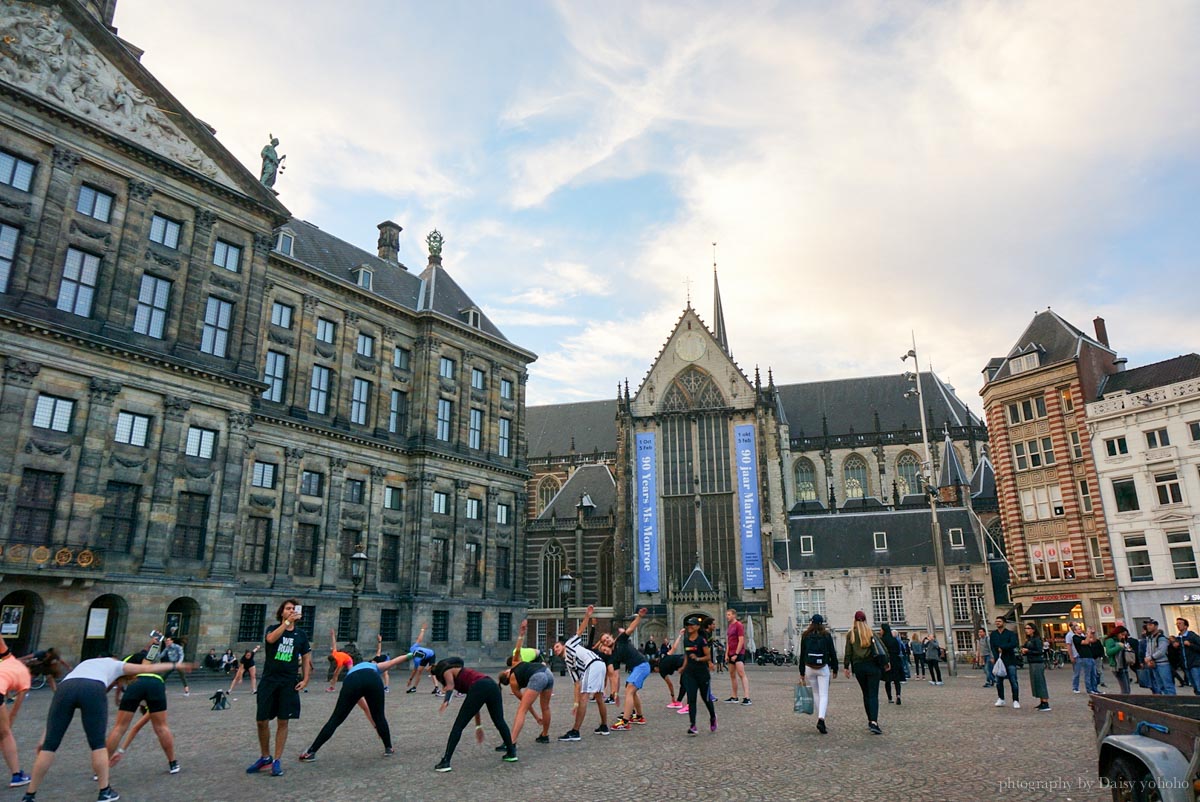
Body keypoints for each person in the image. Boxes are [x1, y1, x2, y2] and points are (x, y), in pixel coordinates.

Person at [20, 655, 185, 802]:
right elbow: (146, 667)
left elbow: (53, 719)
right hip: (92, 688)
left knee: (49, 746)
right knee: (97, 743)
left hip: (65, 688)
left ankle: (29, 795)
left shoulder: (87, 662)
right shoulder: (116, 665)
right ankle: (104, 791)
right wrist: (175, 665)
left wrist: (44, 736)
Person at [298, 650, 413, 762]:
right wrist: (411, 655)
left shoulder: (353, 670)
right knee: (379, 716)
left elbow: (364, 707)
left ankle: (311, 752)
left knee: (336, 719)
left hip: (352, 682)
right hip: (372, 679)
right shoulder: (375, 666)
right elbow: (394, 661)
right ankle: (388, 748)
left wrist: (375, 726)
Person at [246, 599, 312, 778]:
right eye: (287, 608)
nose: (291, 611)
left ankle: (276, 760)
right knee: (261, 720)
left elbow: (306, 657)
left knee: (283, 721)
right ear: (281, 612)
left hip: (288, 682)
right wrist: (287, 623)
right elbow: (270, 639)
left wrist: (305, 679)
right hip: (269, 680)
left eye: (293, 609)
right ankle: (265, 756)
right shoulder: (272, 629)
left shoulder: (301, 635)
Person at [107, 635, 185, 775]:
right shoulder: (145, 657)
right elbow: (149, 653)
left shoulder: (122, 664)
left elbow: (117, 683)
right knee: (162, 727)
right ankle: (173, 763)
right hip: (156, 681)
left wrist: (117, 697)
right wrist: (155, 643)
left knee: (119, 728)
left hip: (138, 681)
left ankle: (102, 766)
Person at [432, 658, 516, 771]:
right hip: (492, 685)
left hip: (480, 687)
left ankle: (446, 761)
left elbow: (451, 686)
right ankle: (511, 752)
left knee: (458, 726)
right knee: (499, 721)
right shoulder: (464, 673)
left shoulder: (447, 671)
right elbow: (475, 704)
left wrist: (446, 701)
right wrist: (478, 726)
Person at [554, 604, 610, 741]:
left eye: (556, 646)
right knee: (598, 696)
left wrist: (587, 616)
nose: (555, 650)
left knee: (585, 696)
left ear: (562, 645)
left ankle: (575, 731)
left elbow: (579, 631)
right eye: (554, 649)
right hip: (599, 664)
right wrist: (575, 703)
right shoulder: (568, 663)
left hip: (592, 664)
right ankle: (604, 726)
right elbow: (577, 684)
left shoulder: (569, 644)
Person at [497, 621, 553, 746]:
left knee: (521, 710)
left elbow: (527, 705)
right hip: (547, 672)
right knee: (546, 707)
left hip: (538, 676)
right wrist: (521, 634)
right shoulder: (515, 664)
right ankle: (545, 735)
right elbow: (517, 649)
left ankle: (511, 742)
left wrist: (536, 717)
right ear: (506, 673)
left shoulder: (514, 686)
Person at [598, 608, 651, 731]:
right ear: (604, 645)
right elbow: (615, 676)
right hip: (637, 668)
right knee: (632, 690)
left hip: (642, 665)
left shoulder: (621, 639)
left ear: (611, 637)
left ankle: (625, 722)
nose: (607, 640)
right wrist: (615, 693)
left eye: (607, 638)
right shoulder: (613, 657)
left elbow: (631, 629)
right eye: (604, 641)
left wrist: (639, 617)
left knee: (629, 690)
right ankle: (639, 716)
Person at [843, 610, 884, 735]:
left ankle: (870, 720)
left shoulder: (851, 634)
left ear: (854, 620)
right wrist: (886, 663)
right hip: (872, 666)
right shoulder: (871, 632)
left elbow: (848, 652)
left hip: (859, 667)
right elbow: (881, 648)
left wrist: (846, 666)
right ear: (865, 620)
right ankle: (874, 721)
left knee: (866, 694)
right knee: (873, 695)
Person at [0, 635, 32, 788]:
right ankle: (16, 775)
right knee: (5, 734)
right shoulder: (25, 679)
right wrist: (6, 728)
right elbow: (14, 711)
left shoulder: (9, 658)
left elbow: (1, 641)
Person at [798, 613, 838, 735]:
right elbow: (832, 652)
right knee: (824, 694)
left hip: (809, 667)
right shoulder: (826, 635)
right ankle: (821, 718)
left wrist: (802, 672)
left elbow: (802, 654)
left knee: (816, 693)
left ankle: (820, 717)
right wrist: (835, 668)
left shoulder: (805, 635)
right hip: (822, 667)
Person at [679, 614, 717, 735]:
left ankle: (712, 717)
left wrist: (698, 659)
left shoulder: (702, 640)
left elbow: (708, 656)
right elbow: (686, 655)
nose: (689, 627)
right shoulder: (686, 640)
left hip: (702, 673)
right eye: (688, 625)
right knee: (691, 699)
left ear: (697, 627)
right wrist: (683, 667)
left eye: (691, 625)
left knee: (705, 698)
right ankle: (693, 725)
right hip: (690, 673)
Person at [989, 617, 1020, 708]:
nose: (997, 623)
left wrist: (1003, 647)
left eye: (999, 621)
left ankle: (1015, 700)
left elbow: (1013, 644)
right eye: (996, 621)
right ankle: (1001, 698)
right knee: (998, 681)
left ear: (1004, 623)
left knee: (1013, 681)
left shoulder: (1010, 634)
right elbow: (992, 646)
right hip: (999, 660)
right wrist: (994, 657)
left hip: (1010, 660)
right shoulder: (993, 634)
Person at [1020, 622, 1050, 711]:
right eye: (1025, 628)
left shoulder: (1037, 639)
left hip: (1037, 662)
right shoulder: (1029, 639)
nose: (1026, 630)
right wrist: (1023, 650)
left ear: (1033, 630)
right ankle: (1042, 701)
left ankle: (1045, 702)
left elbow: (1039, 651)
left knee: (1040, 682)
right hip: (1032, 662)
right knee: (1036, 682)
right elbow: (1025, 648)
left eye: (1028, 628)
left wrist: (1028, 651)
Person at [724, 609, 751, 704]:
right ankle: (734, 696)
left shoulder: (738, 625)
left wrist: (736, 653)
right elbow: (728, 641)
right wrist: (726, 653)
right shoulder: (730, 626)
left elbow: (741, 640)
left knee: (741, 673)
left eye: (729, 614)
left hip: (738, 653)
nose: (727, 616)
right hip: (731, 653)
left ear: (734, 615)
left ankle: (747, 697)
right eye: (727, 615)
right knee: (732, 674)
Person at [1144, 620, 1175, 696]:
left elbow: (1162, 651)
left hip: (1163, 664)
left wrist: (1150, 658)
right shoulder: (1149, 638)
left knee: (1167, 685)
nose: (1148, 626)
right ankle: (1167, 702)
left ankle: (1173, 702)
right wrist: (1148, 658)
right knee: (1160, 685)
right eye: (1148, 625)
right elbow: (1148, 650)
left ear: (1156, 626)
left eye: (1151, 625)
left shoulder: (1161, 638)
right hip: (1154, 664)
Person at [403, 624, 436, 694]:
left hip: (431, 654)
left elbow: (419, 639)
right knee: (419, 671)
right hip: (425, 657)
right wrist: (422, 630)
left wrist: (423, 630)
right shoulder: (414, 653)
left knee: (432, 671)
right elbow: (419, 640)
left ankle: (437, 688)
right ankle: (414, 688)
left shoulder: (415, 656)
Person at [1105, 626, 1137, 695]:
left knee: (1127, 688)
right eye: (1122, 635)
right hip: (1117, 666)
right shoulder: (1110, 640)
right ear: (1117, 633)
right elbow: (1109, 652)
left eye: (1124, 635)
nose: (1123, 637)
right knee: (1125, 689)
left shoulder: (1122, 640)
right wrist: (1119, 647)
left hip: (1124, 665)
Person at [1174, 618, 1200, 695]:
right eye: (1177, 624)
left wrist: (1190, 645)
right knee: (1193, 684)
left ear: (1185, 626)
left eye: (1180, 623)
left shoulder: (1192, 636)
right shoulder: (1178, 638)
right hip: (1185, 665)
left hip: (1195, 663)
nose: (1178, 625)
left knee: (1198, 683)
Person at [1071, 625, 1099, 695]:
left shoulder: (1082, 637)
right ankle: (1089, 689)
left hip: (1090, 656)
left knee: (1094, 674)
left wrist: (1093, 634)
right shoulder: (1075, 637)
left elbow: (1093, 640)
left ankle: (1094, 689)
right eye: (1079, 629)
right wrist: (1089, 633)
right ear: (1075, 631)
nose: (1081, 630)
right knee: (1088, 675)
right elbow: (1086, 642)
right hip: (1084, 657)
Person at [880, 623, 903, 705]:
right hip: (895, 660)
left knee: (887, 680)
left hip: (887, 661)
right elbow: (898, 650)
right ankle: (898, 695)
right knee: (896, 680)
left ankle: (890, 698)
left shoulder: (882, 640)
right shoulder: (894, 640)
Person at [1067, 622, 1084, 693]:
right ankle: (1075, 687)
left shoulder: (1081, 634)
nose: (1076, 626)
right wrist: (1071, 656)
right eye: (1075, 625)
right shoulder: (1069, 635)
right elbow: (1069, 646)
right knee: (1077, 672)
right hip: (1076, 655)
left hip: (1084, 654)